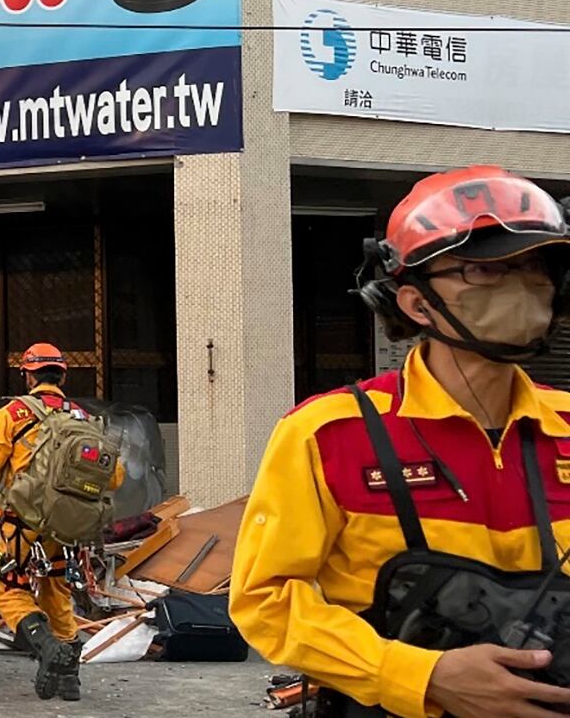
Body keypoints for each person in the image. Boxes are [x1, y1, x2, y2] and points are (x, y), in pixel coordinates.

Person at [230, 166, 570, 718]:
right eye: (485, 270)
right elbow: (266, 601)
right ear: (416, 304)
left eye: (533, 266)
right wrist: (419, 676)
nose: (520, 283)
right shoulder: (330, 433)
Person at [0, 342, 122, 702]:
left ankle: (47, 647)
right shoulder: (83, 418)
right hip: (68, 526)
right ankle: (70, 679)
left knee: (10, 589)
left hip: (23, 522)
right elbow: (115, 476)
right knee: (56, 592)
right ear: (62, 375)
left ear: (28, 375)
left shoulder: (13, 414)